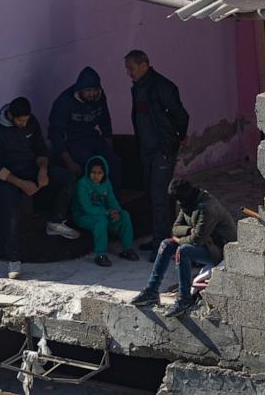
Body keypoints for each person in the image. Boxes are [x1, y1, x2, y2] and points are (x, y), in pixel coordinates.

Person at [0, 97, 81, 279]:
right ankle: (13, 260)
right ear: (11, 115)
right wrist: (21, 184)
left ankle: (55, 222)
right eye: (20, 120)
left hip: (30, 168)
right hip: (6, 177)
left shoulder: (32, 123)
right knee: (12, 210)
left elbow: (41, 150)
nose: (23, 124)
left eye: (26, 120)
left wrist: (43, 170)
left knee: (67, 178)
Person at [131, 179, 237, 317]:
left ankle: (184, 298)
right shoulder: (187, 203)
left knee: (183, 251)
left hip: (219, 250)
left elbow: (197, 240)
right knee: (166, 244)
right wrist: (188, 232)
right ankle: (151, 290)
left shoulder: (206, 208)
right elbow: (175, 229)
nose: (178, 204)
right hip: (205, 243)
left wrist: (182, 239)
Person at [124, 50, 190, 254]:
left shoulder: (162, 86)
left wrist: (179, 138)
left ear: (144, 65)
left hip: (162, 148)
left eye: (131, 68)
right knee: (152, 194)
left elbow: (180, 114)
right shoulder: (138, 88)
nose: (128, 73)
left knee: (159, 195)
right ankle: (158, 238)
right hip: (146, 149)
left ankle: (162, 245)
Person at [48, 66, 121, 192]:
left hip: (92, 137)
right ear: (80, 89)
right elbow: (55, 133)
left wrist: (110, 150)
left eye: (95, 90)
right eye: (88, 90)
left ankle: (114, 202)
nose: (92, 94)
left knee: (114, 162)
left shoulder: (99, 97)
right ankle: (93, 204)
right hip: (72, 141)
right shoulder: (64, 102)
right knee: (93, 165)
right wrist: (69, 162)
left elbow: (105, 122)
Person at [72, 156, 139, 267]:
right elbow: (87, 208)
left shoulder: (106, 183)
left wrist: (117, 212)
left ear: (104, 173)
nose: (96, 176)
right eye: (93, 172)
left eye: (99, 173)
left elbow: (112, 201)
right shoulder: (82, 184)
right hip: (84, 216)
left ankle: (127, 249)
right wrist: (107, 213)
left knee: (124, 215)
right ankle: (100, 254)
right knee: (101, 221)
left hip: (103, 213)